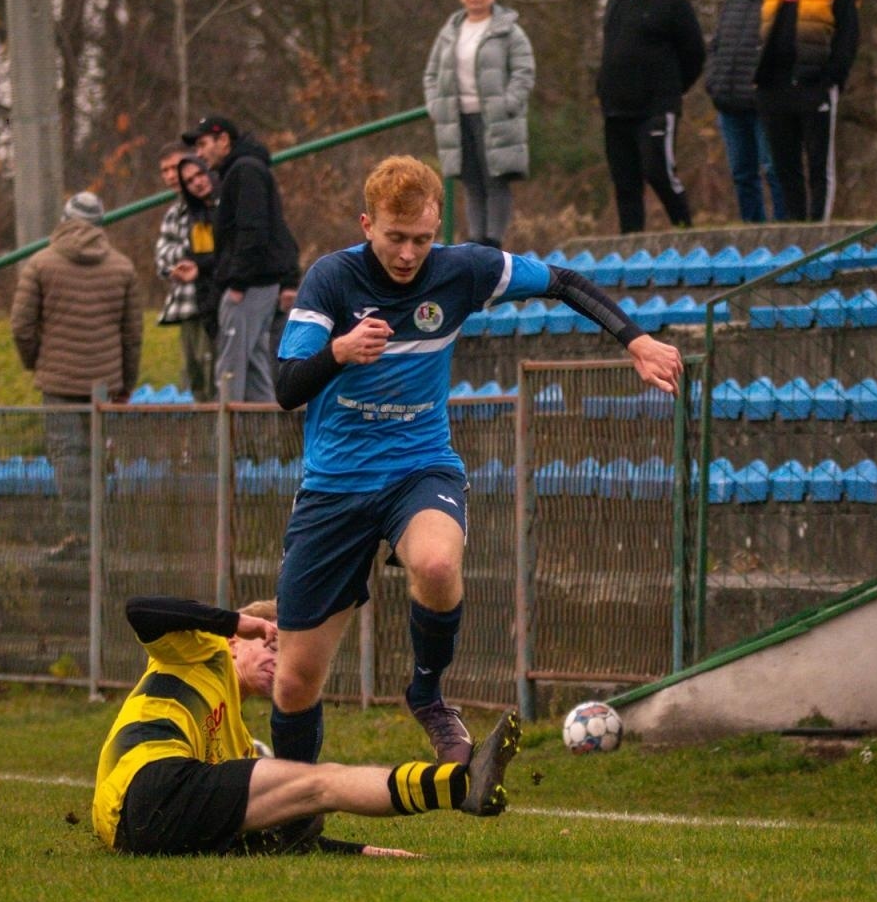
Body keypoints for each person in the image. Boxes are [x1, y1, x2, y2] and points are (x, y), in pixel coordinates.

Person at [270, 155, 684, 767]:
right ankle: (296, 805)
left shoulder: (462, 270)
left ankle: (428, 694)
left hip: (419, 467)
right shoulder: (331, 280)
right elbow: (286, 389)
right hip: (335, 485)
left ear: (437, 228)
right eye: (395, 237)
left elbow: (563, 282)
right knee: (295, 682)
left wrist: (637, 340)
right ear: (367, 224)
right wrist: (339, 351)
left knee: (437, 564)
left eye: (421, 239)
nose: (408, 254)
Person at [93, 594, 522, 857]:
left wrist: (363, 851)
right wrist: (235, 620)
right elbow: (140, 610)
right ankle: (462, 785)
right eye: (272, 645)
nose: (279, 662)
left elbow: (289, 829)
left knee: (308, 799)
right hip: (144, 787)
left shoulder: (239, 743)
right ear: (235, 643)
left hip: (141, 830)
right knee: (320, 782)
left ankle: (462, 785)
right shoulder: (201, 651)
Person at [11, 191, 143, 560]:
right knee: (98, 457)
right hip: (106, 384)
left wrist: (37, 362)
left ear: (65, 220)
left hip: (58, 382)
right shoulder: (122, 267)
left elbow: (21, 327)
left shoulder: (40, 264)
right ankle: (104, 535)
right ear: (101, 225)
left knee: (67, 458)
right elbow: (132, 335)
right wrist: (126, 384)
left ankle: (83, 536)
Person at [755, 0, 860, 223]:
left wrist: (833, 78)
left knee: (818, 163)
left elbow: (848, 36)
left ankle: (820, 229)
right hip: (775, 86)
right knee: (783, 164)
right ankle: (795, 227)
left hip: (815, 86)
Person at [596, 0, 706, 234]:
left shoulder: (673, 2)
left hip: (655, 108)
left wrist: (670, 89)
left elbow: (695, 54)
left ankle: (685, 232)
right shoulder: (617, 2)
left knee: (659, 172)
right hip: (616, 109)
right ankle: (631, 244)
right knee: (625, 183)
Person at [188, 116, 300, 404]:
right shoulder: (241, 170)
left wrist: (238, 282)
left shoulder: (245, 171)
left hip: (249, 287)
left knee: (230, 369)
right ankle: (264, 431)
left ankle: (225, 431)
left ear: (223, 140)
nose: (199, 154)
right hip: (257, 284)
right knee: (254, 367)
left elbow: (253, 230)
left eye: (202, 144)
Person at [423, 0, 536, 249]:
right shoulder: (449, 32)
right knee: (471, 182)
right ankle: (475, 242)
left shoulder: (510, 32)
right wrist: (436, 106)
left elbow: (524, 71)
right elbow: (431, 74)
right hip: (458, 118)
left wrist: (509, 103)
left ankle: (493, 242)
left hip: (496, 119)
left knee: (496, 180)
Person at [705, 0, 786, 224]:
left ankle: (784, 230)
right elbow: (716, 46)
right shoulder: (732, 3)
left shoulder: (783, 3)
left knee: (774, 170)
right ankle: (753, 231)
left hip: (766, 104)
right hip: (730, 105)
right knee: (742, 174)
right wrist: (713, 82)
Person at [154, 144, 220, 401]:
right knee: (193, 380)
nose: (172, 176)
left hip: (212, 303)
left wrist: (191, 255)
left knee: (214, 374)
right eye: (165, 171)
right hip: (185, 305)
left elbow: (214, 249)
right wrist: (187, 255)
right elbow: (162, 259)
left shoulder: (212, 203)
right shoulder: (174, 214)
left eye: (175, 168)